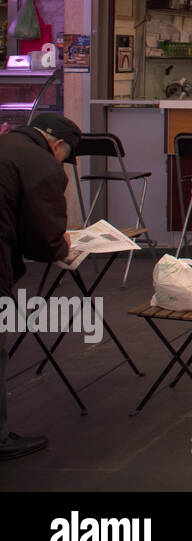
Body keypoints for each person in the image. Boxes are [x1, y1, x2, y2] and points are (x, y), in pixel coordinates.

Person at [0, 113, 80, 461]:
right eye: (65, 155)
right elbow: (44, 236)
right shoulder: (42, 163)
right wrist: (62, 247)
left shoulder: (6, 144)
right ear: (57, 145)